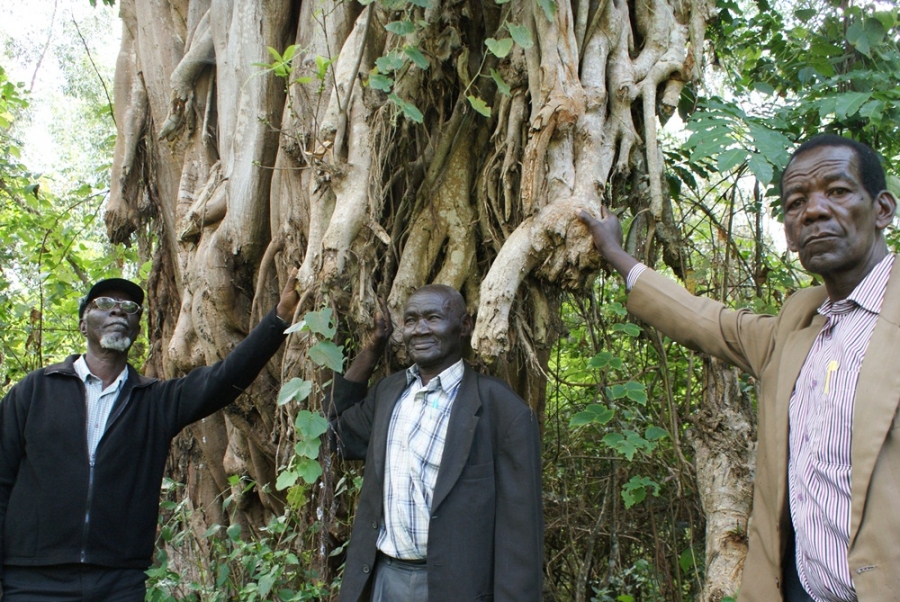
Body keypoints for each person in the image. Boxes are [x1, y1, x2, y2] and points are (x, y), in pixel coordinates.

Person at [577, 134, 900, 602]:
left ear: (883, 209)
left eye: (838, 191)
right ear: (789, 234)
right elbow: (705, 321)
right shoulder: (798, 323)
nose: (813, 211)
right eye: (796, 203)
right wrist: (615, 255)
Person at [0, 271, 301, 601]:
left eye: (129, 307)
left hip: (117, 582)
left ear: (137, 328)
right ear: (83, 323)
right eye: (104, 303)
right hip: (32, 580)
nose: (118, 310)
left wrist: (279, 318)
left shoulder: (155, 401)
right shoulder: (35, 390)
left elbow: (223, 379)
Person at [328, 285, 543, 602]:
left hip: (457, 587)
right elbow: (333, 434)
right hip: (384, 579)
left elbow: (521, 532)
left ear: (464, 326)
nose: (420, 330)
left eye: (433, 318)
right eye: (411, 320)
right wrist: (372, 349)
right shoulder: (389, 394)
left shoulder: (502, 409)